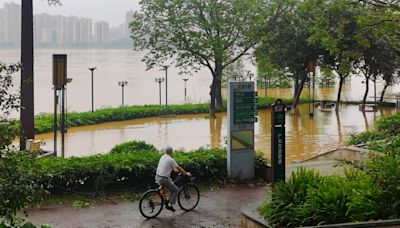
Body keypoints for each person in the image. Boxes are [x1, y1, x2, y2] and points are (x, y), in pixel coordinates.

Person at [155, 146, 191, 212]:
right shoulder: (171, 160)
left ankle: (162, 192)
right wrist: (186, 173)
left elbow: (169, 167)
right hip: (163, 179)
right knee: (176, 190)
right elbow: (179, 168)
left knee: (171, 182)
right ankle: (170, 205)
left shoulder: (163, 157)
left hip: (157, 177)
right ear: (171, 152)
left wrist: (175, 170)